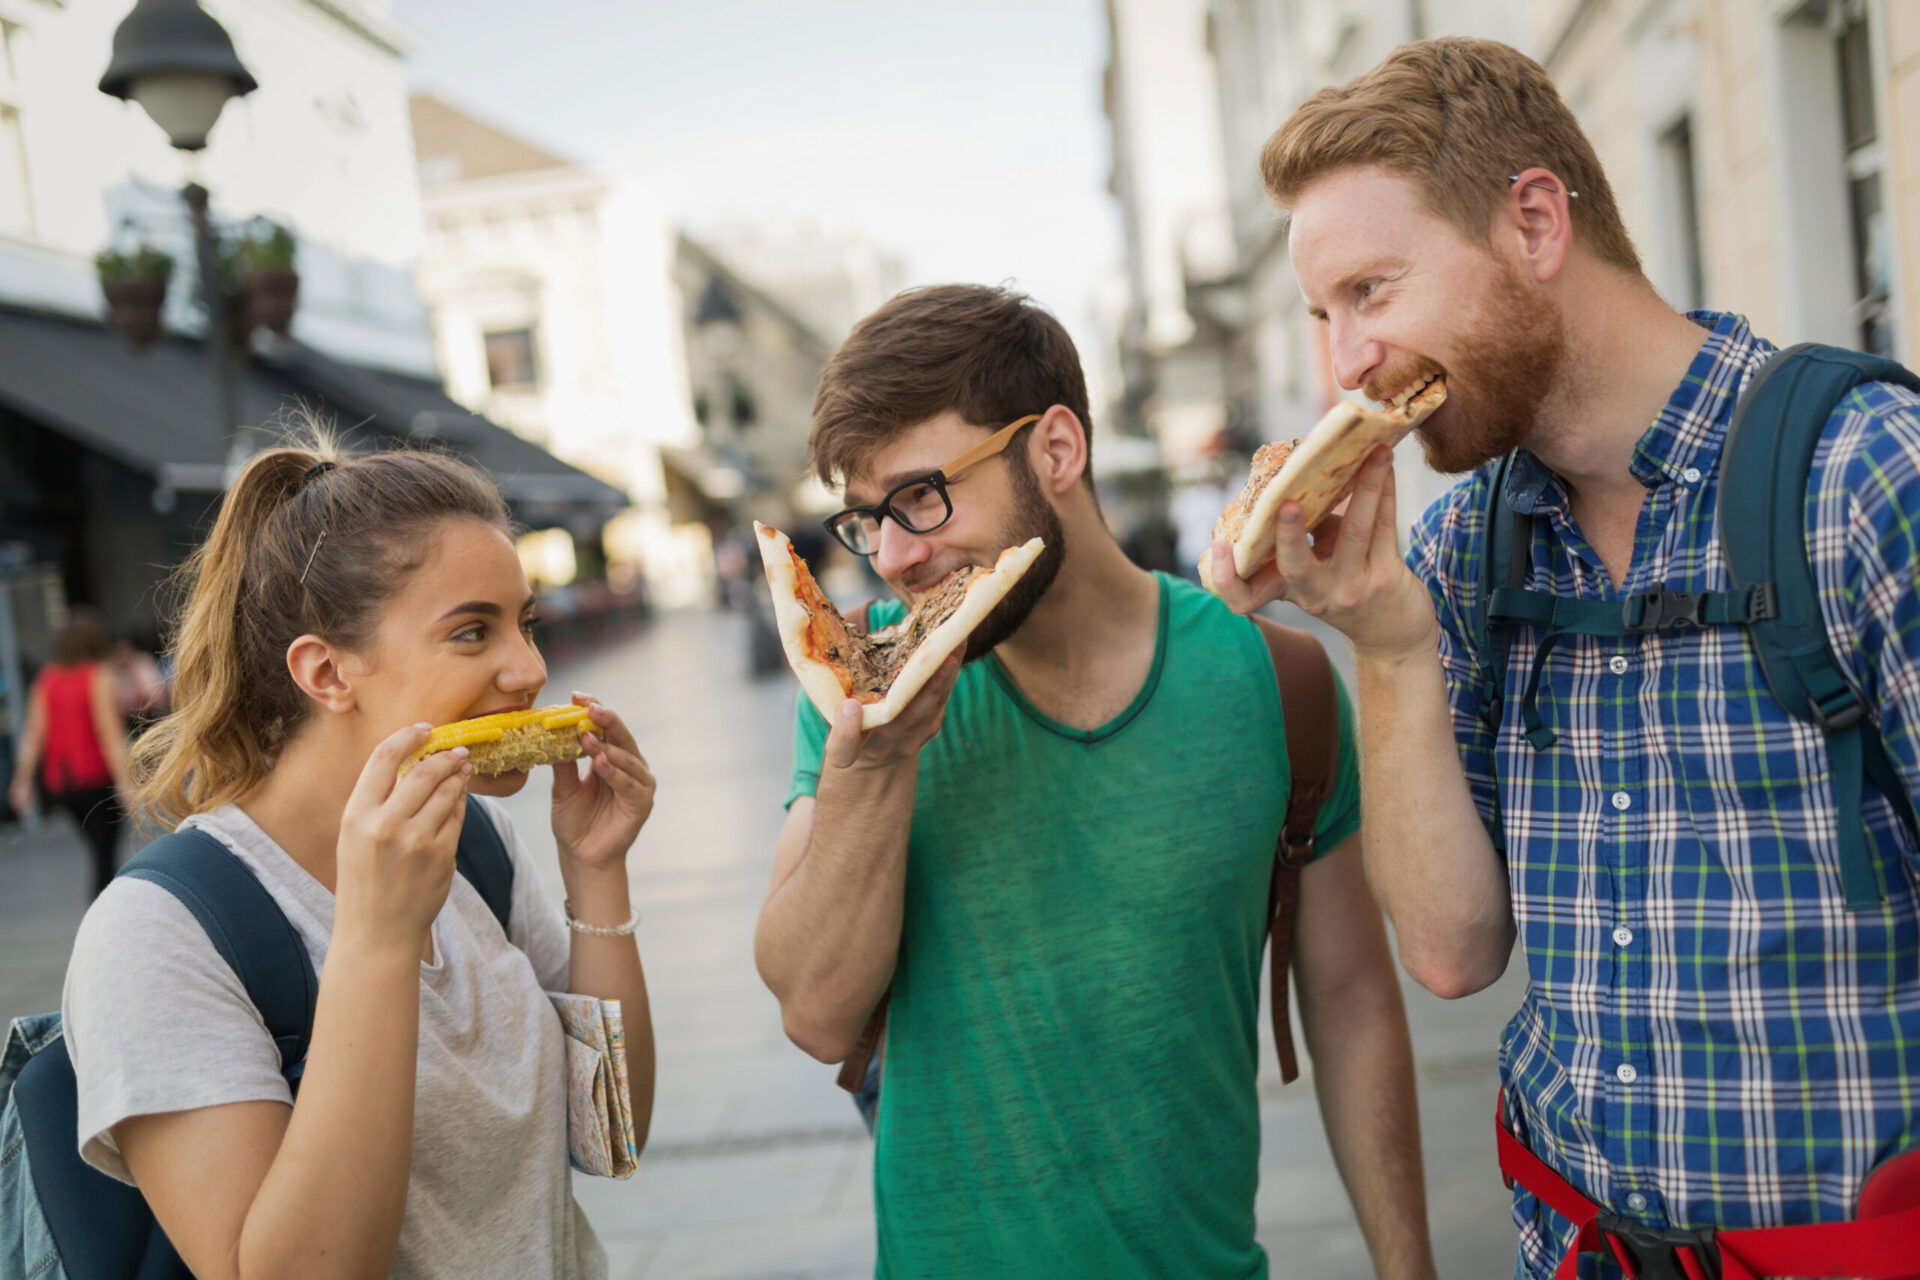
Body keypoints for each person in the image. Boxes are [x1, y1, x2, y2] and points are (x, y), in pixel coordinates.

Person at [1209, 36, 1920, 1280]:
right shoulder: (1465, 551)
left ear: (1536, 221)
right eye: (1324, 315)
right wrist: (1385, 640)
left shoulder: (1864, 477)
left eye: (1372, 291)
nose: (1346, 362)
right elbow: (1449, 951)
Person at [753, 284, 1435, 1278]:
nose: (895, 556)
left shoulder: (1272, 680)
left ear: (1057, 450)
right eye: (867, 518)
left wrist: (1406, 1265)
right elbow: (814, 1012)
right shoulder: (861, 701)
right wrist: (876, 765)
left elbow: (1349, 995)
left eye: (922, 497)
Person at [59, 430, 658, 1279]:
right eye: (471, 633)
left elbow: (613, 1130)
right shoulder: (158, 937)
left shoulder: (478, 848)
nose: (528, 669)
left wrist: (597, 872)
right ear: (328, 673)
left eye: (522, 623)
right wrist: (375, 940)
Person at [8, 607, 133, 896]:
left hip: (64, 783)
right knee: (105, 856)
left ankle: (104, 910)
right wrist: (125, 781)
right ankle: (101, 916)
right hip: (97, 781)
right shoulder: (98, 676)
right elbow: (108, 732)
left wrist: (22, 780)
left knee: (98, 852)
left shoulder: (47, 680)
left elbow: (34, 734)